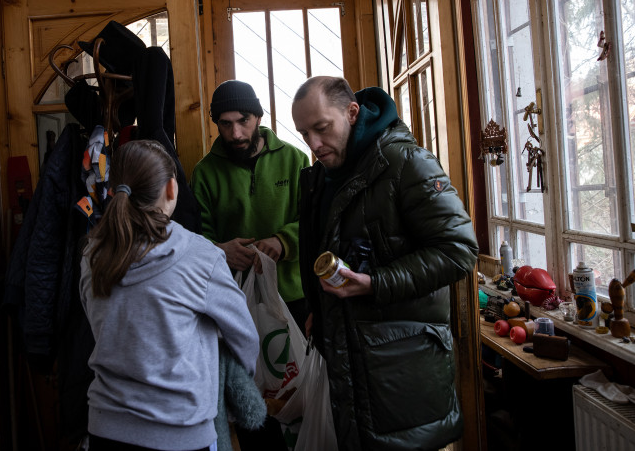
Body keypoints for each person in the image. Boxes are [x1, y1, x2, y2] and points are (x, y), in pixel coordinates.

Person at [291, 76, 479, 451]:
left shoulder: (405, 162)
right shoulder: (319, 178)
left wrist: (376, 283)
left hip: (402, 373)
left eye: (322, 128)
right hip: (350, 366)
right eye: (303, 133)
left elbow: (459, 250)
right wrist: (318, 307)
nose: (313, 144)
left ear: (352, 112)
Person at [79, 139, 259, 451]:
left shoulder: (92, 253)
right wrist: (233, 385)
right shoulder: (201, 255)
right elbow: (244, 337)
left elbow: (96, 319)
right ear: (171, 189)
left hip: (105, 429)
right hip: (182, 433)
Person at [191, 79, 310, 450]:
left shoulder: (295, 159)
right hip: (234, 307)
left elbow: (313, 222)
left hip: (293, 298)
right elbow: (193, 241)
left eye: (242, 121)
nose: (235, 132)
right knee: (251, 401)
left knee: (299, 394)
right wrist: (220, 250)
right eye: (224, 124)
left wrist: (283, 241)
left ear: (258, 116)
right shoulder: (205, 172)